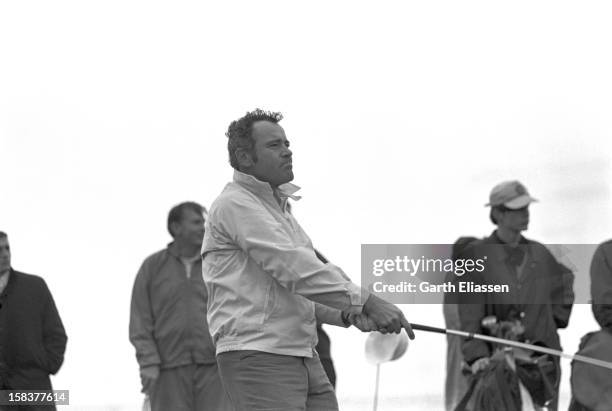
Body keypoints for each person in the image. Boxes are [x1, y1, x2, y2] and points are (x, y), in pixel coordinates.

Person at [201, 109, 414, 411]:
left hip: (299, 352)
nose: (288, 151)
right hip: (259, 355)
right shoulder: (234, 204)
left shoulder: (276, 210)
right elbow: (296, 270)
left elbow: (295, 290)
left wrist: (348, 314)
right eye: (274, 145)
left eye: (287, 143)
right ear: (244, 157)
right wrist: (367, 302)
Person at [455, 181, 574, 410]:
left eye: (526, 208)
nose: (525, 214)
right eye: (517, 209)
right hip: (498, 366)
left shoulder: (540, 253)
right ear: (498, 213)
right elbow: (469, 315)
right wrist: (476, 355)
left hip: (542, 365)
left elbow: (565, 281)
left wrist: (552, 320)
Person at [129, 202, 229, 411]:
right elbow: (140, 319)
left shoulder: (219, 264)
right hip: (166, 369)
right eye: (196, 222)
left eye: (204, 221)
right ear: (176, 228)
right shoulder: (152, 267)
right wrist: (148, 363)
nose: (204, 227)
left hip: (214, 368)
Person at [0, 231, 67, 411]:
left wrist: (45, 365)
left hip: (34, 390)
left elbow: (57, 335)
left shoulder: (34, 287)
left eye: (7, 248)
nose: (5, 254)